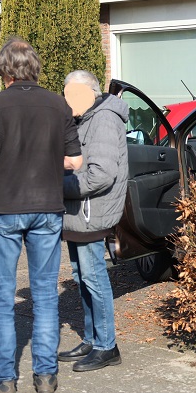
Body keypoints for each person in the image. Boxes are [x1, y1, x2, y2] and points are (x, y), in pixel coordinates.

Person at [0, 38, 82, 393]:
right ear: (34, 68)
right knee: (46, 295)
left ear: (5, 70)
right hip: (47, 207)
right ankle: (46, 377)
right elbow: (75, 161)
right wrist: (47, 156)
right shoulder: (59, 105)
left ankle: (3, 383)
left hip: (5, 208)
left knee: (2, 298)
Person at [57, 70, 127, 371]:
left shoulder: (103, 119)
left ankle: (106, 346)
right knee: (81, 277)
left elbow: (101, 175)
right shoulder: (84, 119)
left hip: (91, 212)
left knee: (93, 278)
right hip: (78, 211)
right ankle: (91, 338)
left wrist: (57, 186)